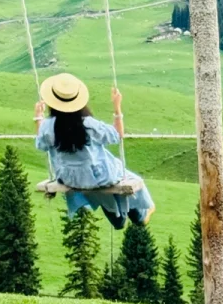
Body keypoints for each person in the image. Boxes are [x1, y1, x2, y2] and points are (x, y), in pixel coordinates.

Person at [34, 72, 154, 229]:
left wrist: (38, 118)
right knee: (122, 173)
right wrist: (117, 106)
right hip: (99, 177)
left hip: (69, 178)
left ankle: (122, 217)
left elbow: (41, 145)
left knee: (105, 192)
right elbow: (117, 135)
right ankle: (142, 214)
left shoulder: (48, 126)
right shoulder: (88, 124)